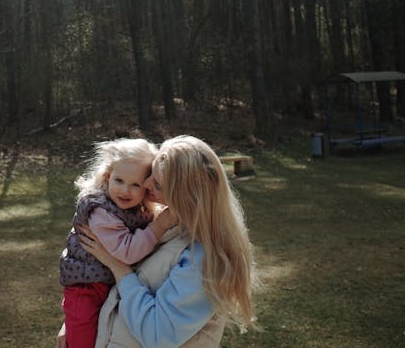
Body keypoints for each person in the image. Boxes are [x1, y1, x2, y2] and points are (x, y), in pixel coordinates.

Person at [57, 135, 256, 348]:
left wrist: (118, 268)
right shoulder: (163, 222)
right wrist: (76, 317)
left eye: (157, 184)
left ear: (183, 196)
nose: (145, 183)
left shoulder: (203, 260)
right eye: (151, 172)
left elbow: (158, 337)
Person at [60, 138, 178, 348]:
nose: (125, 191)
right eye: (119, 181)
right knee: (83, 342)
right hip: (85, 290)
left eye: (135, 185)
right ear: (108, 176)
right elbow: (127, 252)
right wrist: (159, 226)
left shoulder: (132, 209)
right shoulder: (101, 211)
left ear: (147, 188)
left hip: (107, 285)